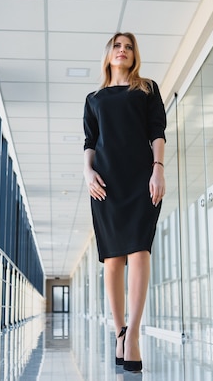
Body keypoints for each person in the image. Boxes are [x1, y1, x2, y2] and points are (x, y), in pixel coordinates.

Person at [83, 32, 167, 373]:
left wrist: (158, 170)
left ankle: (133, 333)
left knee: (140, 252)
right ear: (108, 54)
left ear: (135, 57)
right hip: (106, 181)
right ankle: (119, 331)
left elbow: (157, 130)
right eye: (117, 46)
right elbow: (90, 140)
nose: (123, 51)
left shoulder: (146, 88)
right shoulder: (93, 98)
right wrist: (87, 173)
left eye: (129, 47)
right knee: (113, 260)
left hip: (140, 178)